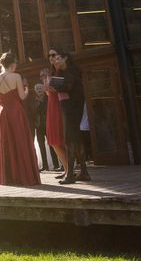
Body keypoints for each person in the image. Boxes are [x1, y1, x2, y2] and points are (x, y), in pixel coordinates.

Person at [0, 52, 41, 186]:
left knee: (7, 142)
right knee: (20, 140)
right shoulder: (16, 76)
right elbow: (22, 96)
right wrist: (26, 90)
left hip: (3, 112)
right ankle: (24, 175)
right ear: (12, 64)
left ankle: (9, 177)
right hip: (16, 110)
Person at [52, 51, 90, 184]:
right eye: (54, 59)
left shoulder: (70, 71)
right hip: (68, 107)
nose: (55, 61)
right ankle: (84, 172)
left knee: (69, 140)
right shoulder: (63, 72)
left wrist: (54, 85)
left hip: (72, 108)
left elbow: (67, 87)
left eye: (58, 58)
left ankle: (70, 175)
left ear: (65, 58)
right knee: (76, 139)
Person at [45, 49, 69, 176]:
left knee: (62, 138)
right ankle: (66, 169)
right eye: (49, 55)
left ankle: (69, 170)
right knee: (54, 140)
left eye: (53, 55)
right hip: (52, 105)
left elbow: (61, 87)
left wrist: (51, 87)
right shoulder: (51, 72)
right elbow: (49, 91)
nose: (51, 57)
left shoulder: (63, 71)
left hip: (60, 105)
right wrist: (47, 86)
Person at [33, 83, 60, 171]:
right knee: (41, 146)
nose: (39, 90)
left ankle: (56, 165)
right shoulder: (34, 100)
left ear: (44, 89)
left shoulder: (48, 98)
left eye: (40, 88)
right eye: (37, 89)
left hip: (48, 124)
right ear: (35, 90)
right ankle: (45, 166)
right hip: (39, 125)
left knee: (52, 144)